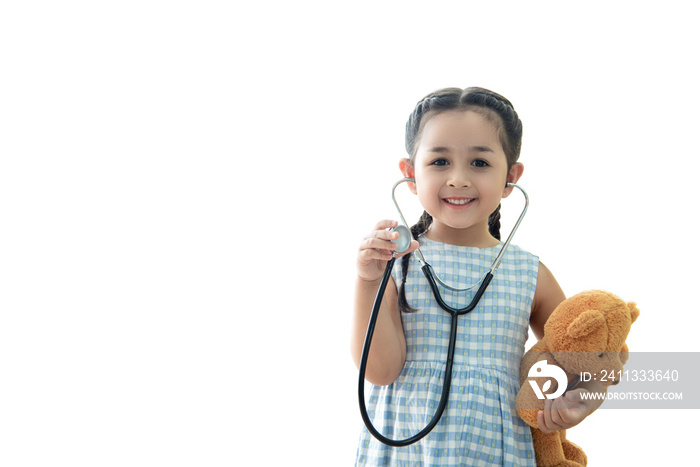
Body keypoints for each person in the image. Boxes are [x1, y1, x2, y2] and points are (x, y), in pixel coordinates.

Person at [351, 87, 606, 466]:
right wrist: (369, 281)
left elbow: (588, 354)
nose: (458, 178)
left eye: (480, 163)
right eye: (439, 162)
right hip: (405, 453)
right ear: (410, 175)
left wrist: (581, 400)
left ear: (510, 178)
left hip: (495, 453)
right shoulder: (397, 262)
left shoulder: (526, 273)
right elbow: (381, 371)